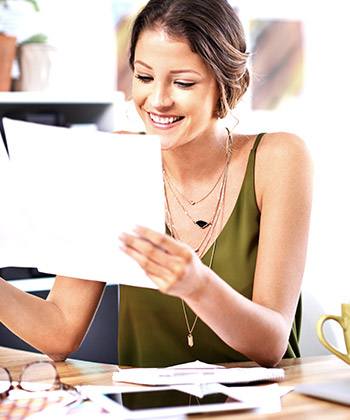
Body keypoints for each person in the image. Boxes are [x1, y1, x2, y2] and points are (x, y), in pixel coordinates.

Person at [0, 0, 312, 368]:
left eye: (183, 82)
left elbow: (270, 343)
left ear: (227, 83)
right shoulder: (112, 161)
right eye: (144, 77)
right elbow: (60, 332)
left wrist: (198, 285)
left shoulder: (279, 157)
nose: (158, 101)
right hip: (148, 411)